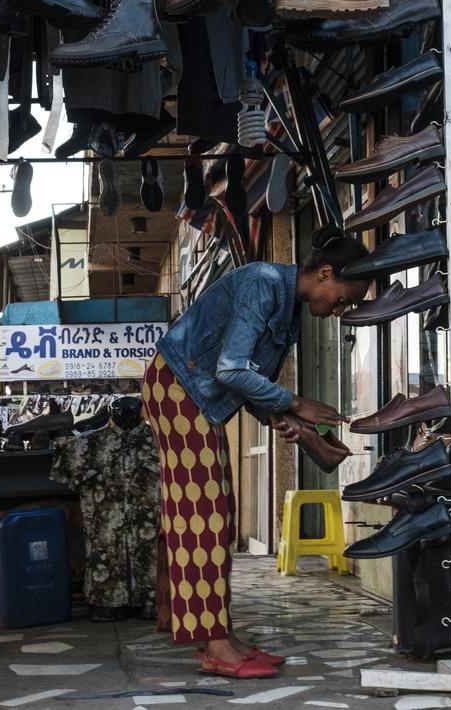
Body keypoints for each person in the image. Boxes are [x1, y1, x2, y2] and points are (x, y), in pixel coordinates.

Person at [140, 226, 372, 678]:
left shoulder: (284, 304)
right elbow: (231, 369)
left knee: (213, 514)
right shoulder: (265, 282)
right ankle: (215, 645)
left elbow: (245, 381)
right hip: (177, 390)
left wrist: (293, 425)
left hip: (193, 396)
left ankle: (218, 631)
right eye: (344, 297)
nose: (341, 309)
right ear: (325, 273)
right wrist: (296, 403)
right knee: (202, 518)